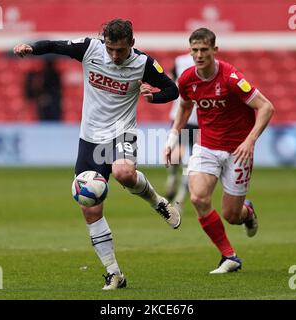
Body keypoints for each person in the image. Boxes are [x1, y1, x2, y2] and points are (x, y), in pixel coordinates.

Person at [14, 19, 181, 290]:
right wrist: (30, 48)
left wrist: (154, 96)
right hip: (89, 138)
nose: (115, 56)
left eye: (121, 50)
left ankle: (157, 202)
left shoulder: (143, 63)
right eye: (111, 49)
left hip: (122, 133)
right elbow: (56, 45)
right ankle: (114, 273)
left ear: (132, 44)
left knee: (124, 173)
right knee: (90, 207)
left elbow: (172, 89)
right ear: (105, 42)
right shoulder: (90, 48)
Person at [165, 28, 274, 274]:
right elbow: (184, 106)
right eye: (195, 50)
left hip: (238, 151)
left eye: (204, 50)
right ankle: (229, 256)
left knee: (232, 215)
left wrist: (250, 140)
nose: (199, 55)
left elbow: (266, 107)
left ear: (215, 50)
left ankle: (248, 212)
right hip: (207, 147)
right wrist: (172, 138)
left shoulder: (231, 78)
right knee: (198, 198)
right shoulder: (187, 79)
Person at [165, 53, 198, 215]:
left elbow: (170, 80)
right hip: (198, 119)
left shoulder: (180, 61)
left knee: (177, 151)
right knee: (191, 161)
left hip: (180, 115)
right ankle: (180, 197)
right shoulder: (213, 65)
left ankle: (172, 177)